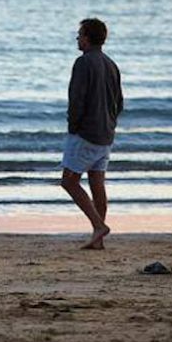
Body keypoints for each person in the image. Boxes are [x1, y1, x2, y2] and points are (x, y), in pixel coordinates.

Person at [60, 17, 123, 249]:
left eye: (80, 34)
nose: (77, 38)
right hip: (106, 133)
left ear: (87, 38)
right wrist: (110, 123)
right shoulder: (111, 64)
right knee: (97, 183)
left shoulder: (83, 62)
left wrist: (73, 126)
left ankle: (98, 226)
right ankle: (98, 239)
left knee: (69, 181)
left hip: (86, 133)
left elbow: (77, 99)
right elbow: (119, 102)